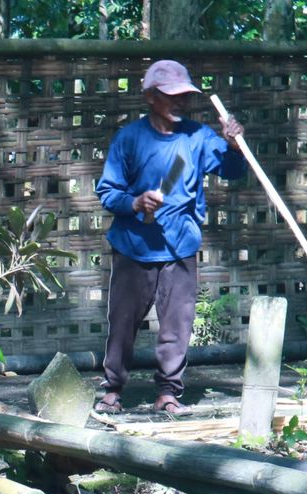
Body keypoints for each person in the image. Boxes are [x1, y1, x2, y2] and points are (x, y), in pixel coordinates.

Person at [94, 59, 246, 416]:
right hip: (134, 247)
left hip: (181, 246)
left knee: (177, 326)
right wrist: (134, 202)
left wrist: (235, 146)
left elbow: (233, 170)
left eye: (185, 96)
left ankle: (168, 392)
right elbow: (107, 191)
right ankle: (112, 389)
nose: (180, 103)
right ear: (150, 96)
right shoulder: (129, 138)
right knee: (123, 324)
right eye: (171, 96)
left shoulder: (198, 136)